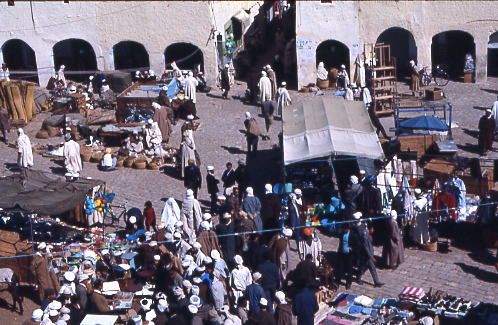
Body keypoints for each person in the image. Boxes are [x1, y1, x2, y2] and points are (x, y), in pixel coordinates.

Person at [353, 212, 384, 287]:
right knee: (368, 266)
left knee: (364, 267)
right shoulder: (360, 230)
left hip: (367, 249)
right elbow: (365, 246)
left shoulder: (361, 226)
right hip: (365, 253)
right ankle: (375, 282)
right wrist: (370, 256)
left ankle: (361, 278)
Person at [335, 223, 357, 289]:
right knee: (340, 268)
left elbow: (357, 245)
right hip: (342, 254)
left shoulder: (353, 235)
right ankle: (337, 282)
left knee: (349, 269)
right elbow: (341, 242)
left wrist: (352, 248)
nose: (345, 230)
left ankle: (348, 283)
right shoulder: (342, 234)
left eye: (345, 229)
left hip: (349, 255)